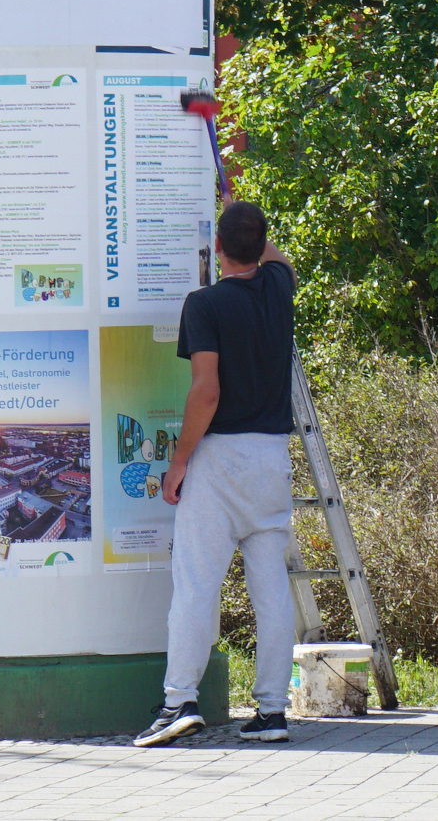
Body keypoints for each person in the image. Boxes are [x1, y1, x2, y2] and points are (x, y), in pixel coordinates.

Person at [133, 201, 297, 747]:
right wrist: (245, 218)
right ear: (261, 245)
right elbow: (276, 256)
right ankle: (272, 712)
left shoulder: (204, 303)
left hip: (221, 457)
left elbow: (206, 390)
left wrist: (179, 461)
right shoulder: (280, 287)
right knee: (271, 589)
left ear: (217, 249)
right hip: (272, 456)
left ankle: (179, 702)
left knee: (197, 584)